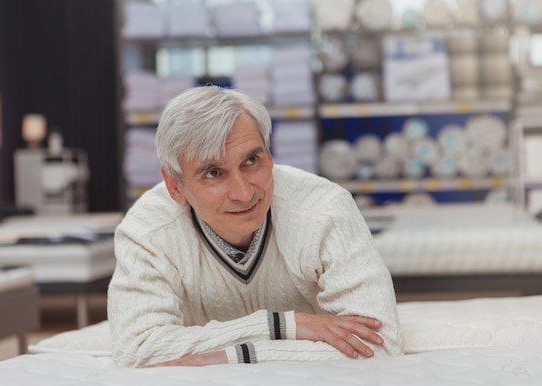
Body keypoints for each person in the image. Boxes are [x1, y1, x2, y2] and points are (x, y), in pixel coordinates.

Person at [108, 85, 405, 367]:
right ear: (175, 186)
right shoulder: (148, 231)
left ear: (270, 155)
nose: (244, 193)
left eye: (251, 160)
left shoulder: (324, 211)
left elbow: (381, 345)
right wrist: (285, 325)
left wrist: (231, 357)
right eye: (213, 173)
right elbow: (136, 352)